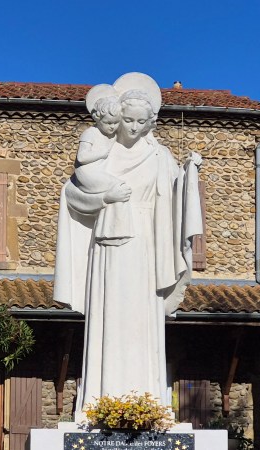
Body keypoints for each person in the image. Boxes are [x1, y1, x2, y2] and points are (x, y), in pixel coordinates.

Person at [53, 74, 203, 416]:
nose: (134, 127)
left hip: (148, 246)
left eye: (141, 121)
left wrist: (190, 172)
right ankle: (101, 402)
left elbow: (176, 197)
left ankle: (146, 403)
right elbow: (73, 195)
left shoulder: (161, 155)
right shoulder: (100, 153)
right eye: (128, 120)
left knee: (143, 319)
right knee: (109, 314)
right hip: (110, 246)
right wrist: (105, 196)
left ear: (151, 122)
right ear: (116, 118)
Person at [74, 95, 134, 245]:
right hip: (87, 173)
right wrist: (101, 153)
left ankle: (116, 228)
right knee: (119, 188)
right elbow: (81, 157)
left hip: (99, 171)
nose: (112, 127)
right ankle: (110, 232)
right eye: (107, 123)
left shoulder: (113, 134)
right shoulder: (90, 133)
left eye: (115, 123)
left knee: (121, 190)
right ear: (97, 119)